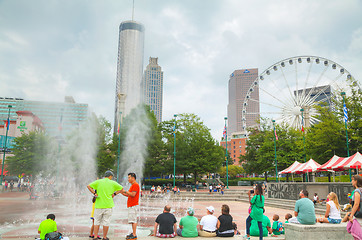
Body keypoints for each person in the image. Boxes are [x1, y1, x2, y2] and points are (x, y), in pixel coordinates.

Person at [87, 170, 125, 240]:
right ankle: (104, 237)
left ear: (105, 176)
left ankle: (95, 237)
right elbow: (122, 189)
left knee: (97, 221)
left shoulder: (98, 182)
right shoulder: (113, 183)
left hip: (98, 205)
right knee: (106, 222)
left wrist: (94, 193)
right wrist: (114, 194)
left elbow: (88, 186)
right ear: (110, 176)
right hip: (108, 205)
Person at [119, 173, 140, 240]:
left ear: (133, 178)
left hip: (133, 205)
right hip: (131, 205)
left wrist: (125, 191)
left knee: (133, 220)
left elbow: (133, 194)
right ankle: (133, 233)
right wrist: (122, 192)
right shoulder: (132, 185)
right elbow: (129, 195)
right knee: (132, 220)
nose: (128, 179)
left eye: (129, 177)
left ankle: (134, 234)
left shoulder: (135, 185)